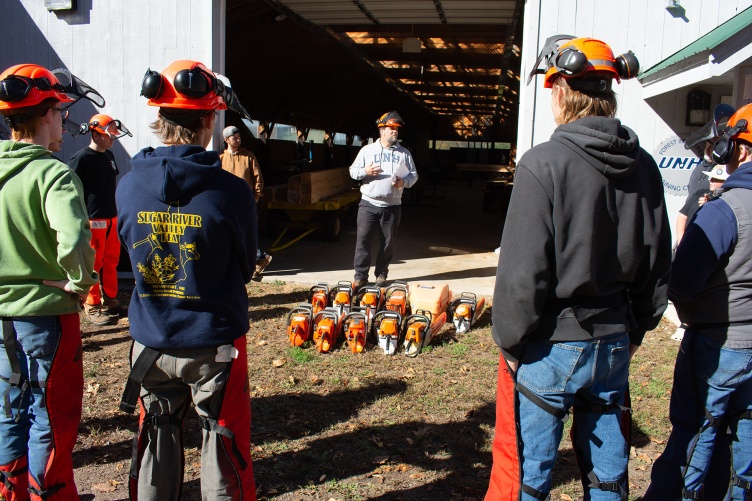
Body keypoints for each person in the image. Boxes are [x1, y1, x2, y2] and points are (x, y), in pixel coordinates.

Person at [485, 36, 672, 500]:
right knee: (608, 476)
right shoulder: (644, 166)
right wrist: (637, 330)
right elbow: (657, 260)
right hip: (613, 343)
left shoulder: (542, 164)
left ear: (562, 91)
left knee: (530, 478)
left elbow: (522, 274)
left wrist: (510, 340)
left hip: (552, 345)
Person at [117, 60, 257, 500]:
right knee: (222, 443)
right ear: (211, 119)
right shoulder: (230, 191)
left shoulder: (127, 187)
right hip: (213, 343)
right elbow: (246, 265)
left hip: (151, 341)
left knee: (157, 442)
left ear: (158, 117)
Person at [0, 63, 102, 500]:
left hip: (1, 315)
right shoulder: (53, 174)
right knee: (50, 412)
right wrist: (80, 283)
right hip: (44, 315)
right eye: (61, 113)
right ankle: (52, 493)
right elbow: (75, 236)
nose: (64, 121)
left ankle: (10, 492)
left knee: (9, 409)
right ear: (45, 115)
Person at [644, 104, 752, 501]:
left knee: (697, 429)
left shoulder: (726, 210)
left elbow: (682, 282)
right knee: (746, 432)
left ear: (738, 151)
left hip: (718, 342)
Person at [68, 114, 132, 325]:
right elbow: (70, 189)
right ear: (95, 133)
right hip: (93, 218)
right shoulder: (81, 158)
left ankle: (111, 300)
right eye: (108, 135)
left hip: (111, 216)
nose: (112, 139)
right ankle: (93, 304)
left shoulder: (109, 156)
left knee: (111, 260)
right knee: (93, 263)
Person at [349, 111, 418, 289]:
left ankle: (381, 275)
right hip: (368, 204)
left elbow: (414, 175)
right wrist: (365, 172)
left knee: (387, 244)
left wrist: (405, 181)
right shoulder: (367, 151)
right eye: (391, 128)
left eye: (396, 129)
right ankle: (360, 277)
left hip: (392, 206)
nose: (395, 132)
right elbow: (352, 171)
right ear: (381, 130)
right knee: (363, 241)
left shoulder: (404, 154)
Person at [675, 104, 736, 245]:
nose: (708, 149)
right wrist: (680, 240)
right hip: (687, 231)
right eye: (708, 144)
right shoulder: (699, 168)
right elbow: (683, 212)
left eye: (714, 146)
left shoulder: (723, 171)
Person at [220, 125, 272, 280]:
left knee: (247, 234)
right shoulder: (220, 159)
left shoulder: (248, 156)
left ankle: (258, 261)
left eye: (239, 137)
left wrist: (256, 197)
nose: (238, 139)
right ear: (226, 140)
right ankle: (254, 261)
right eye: (234, 137)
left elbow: (258, 179)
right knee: (231, 235)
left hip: (246, 204)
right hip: (227, 205)